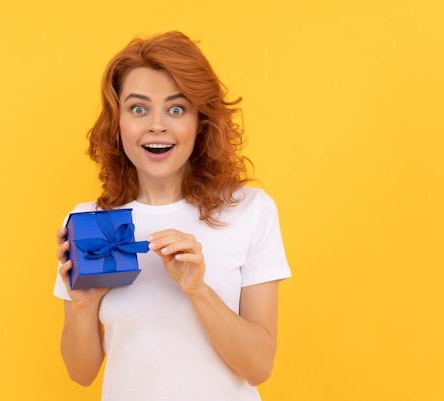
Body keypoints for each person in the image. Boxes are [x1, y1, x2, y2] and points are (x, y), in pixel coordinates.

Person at [53, 31, 291, 401]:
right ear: (118, 123)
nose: (157, 125)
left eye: (176, 109)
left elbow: (259, 366)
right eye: (138, 108)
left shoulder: (250, 210)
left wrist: (197, 289)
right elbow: (81, 373)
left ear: (201, 122)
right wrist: (84, 306)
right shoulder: (91, 225)